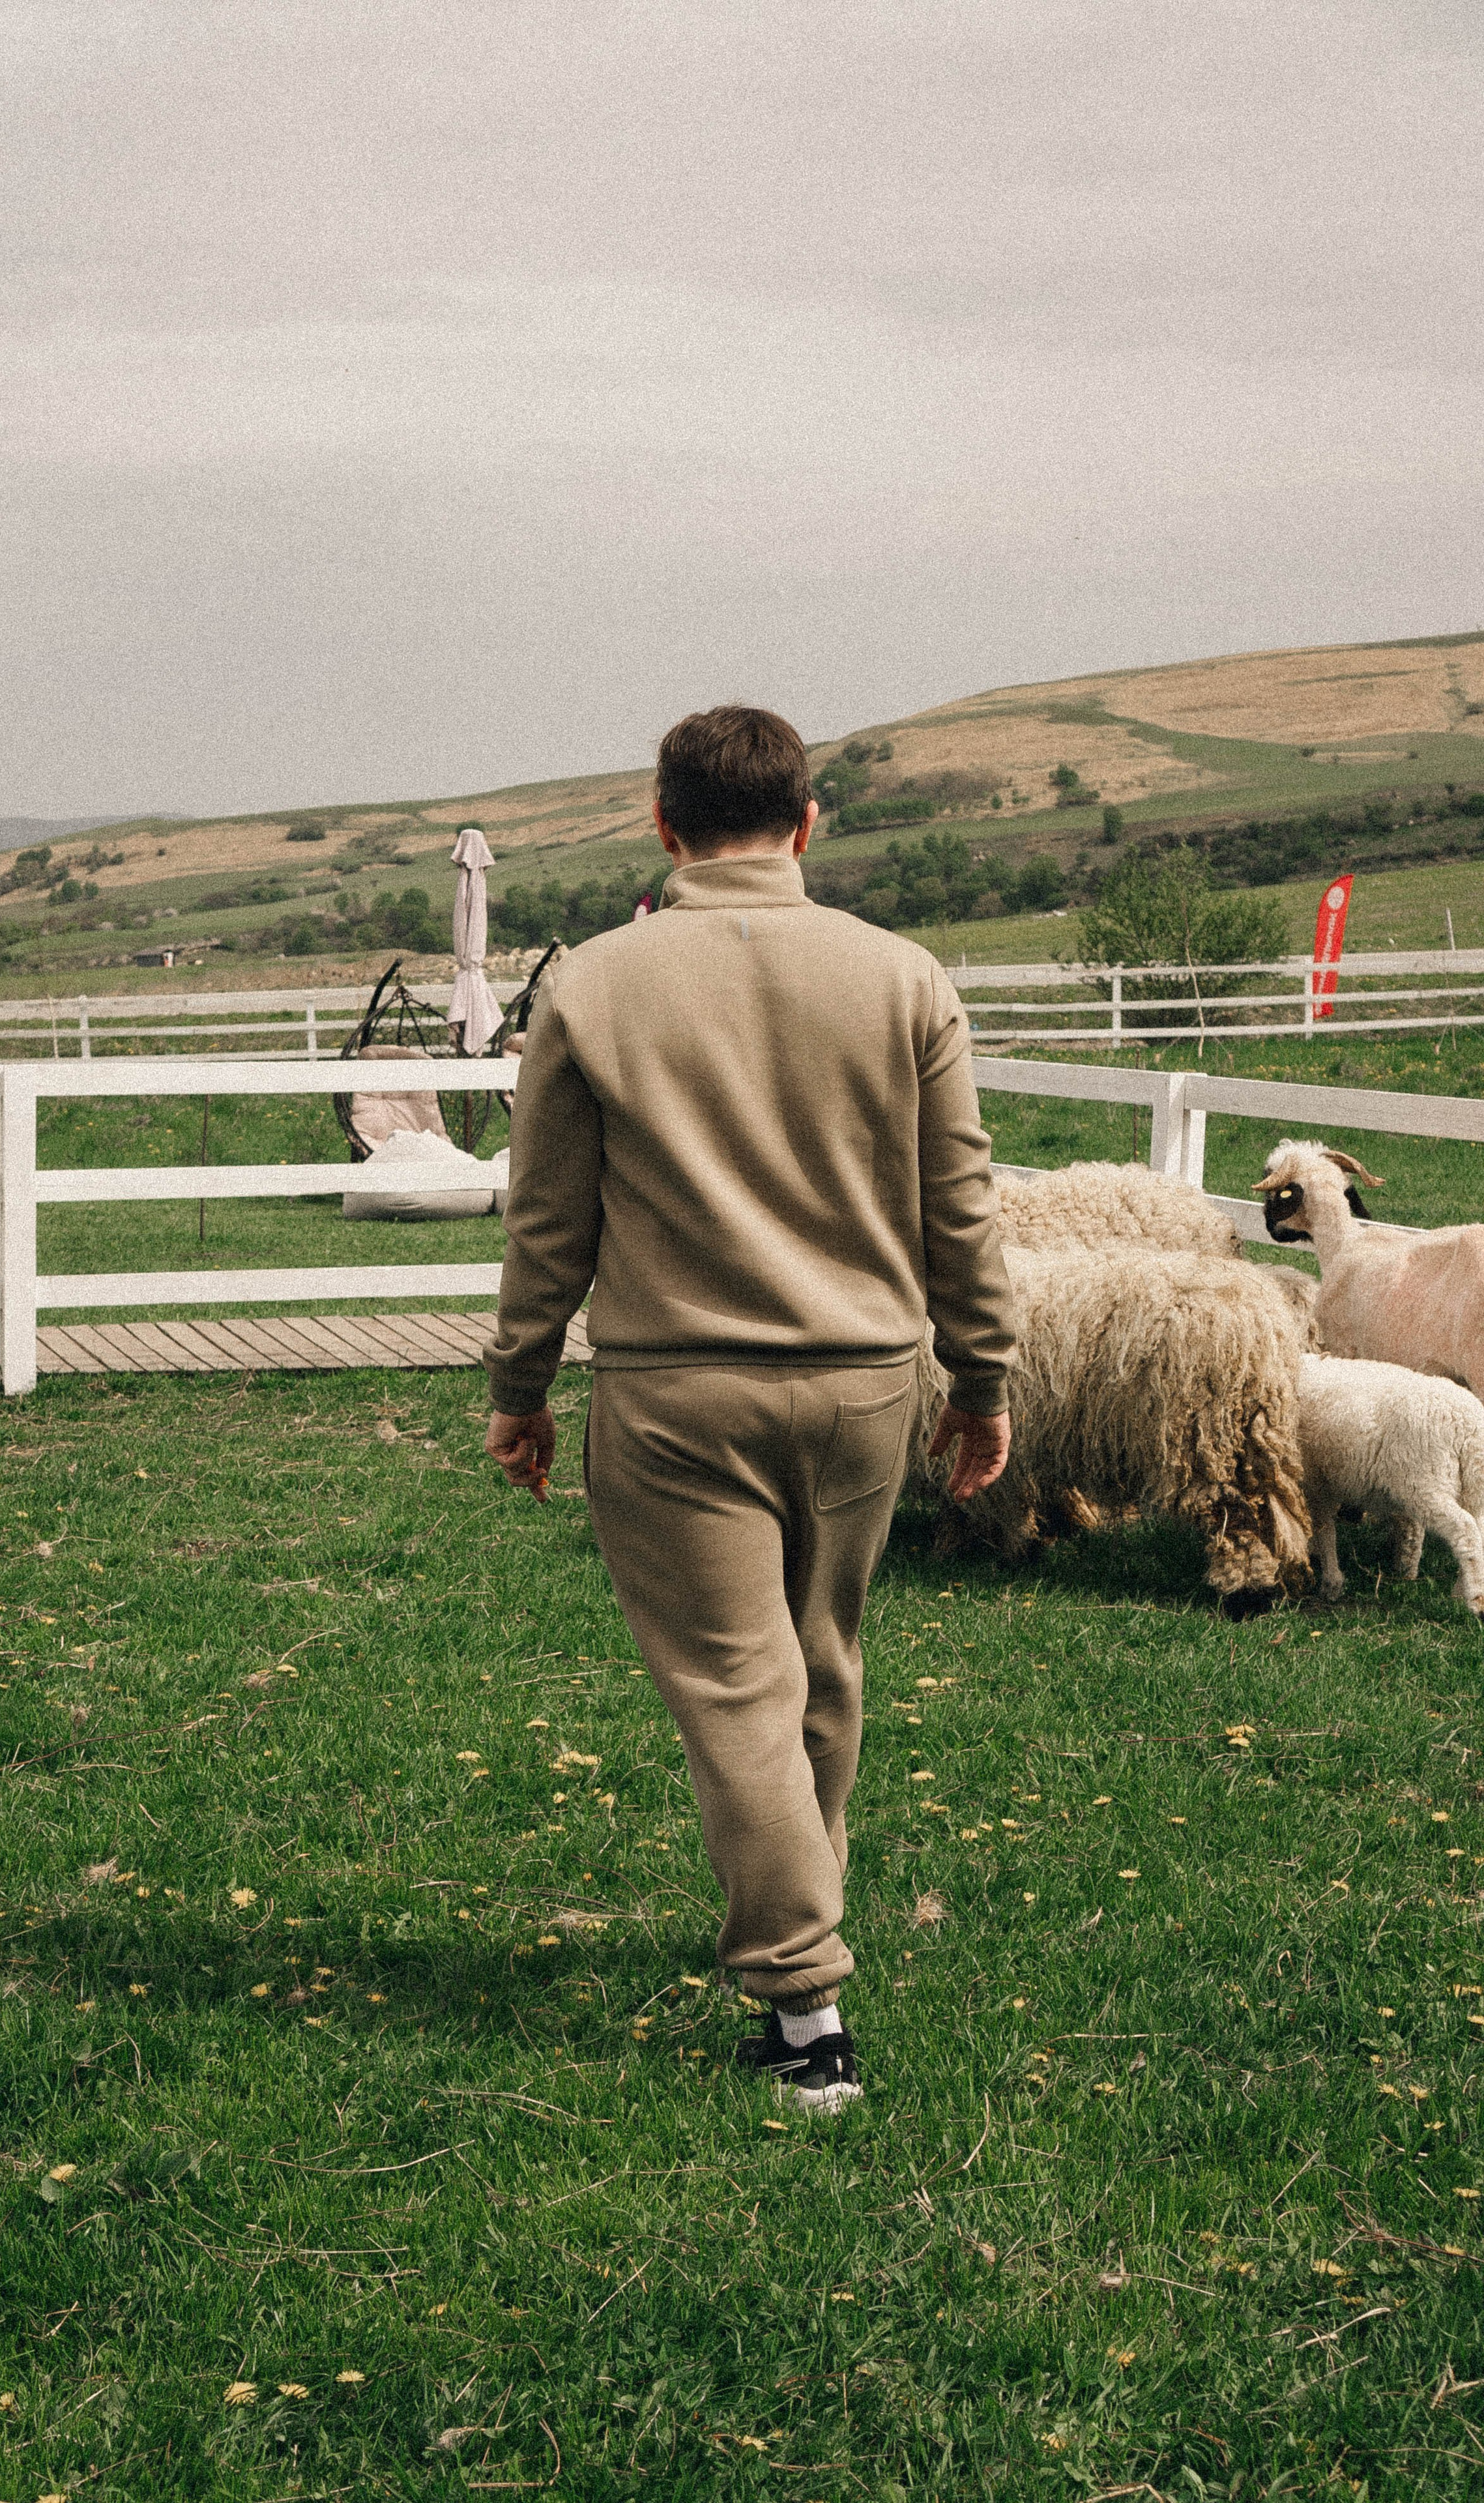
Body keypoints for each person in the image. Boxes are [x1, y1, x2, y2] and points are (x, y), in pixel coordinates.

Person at [484, 705, 1015, 2111]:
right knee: (818, 1665)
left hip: (675, 1391)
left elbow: (548, 1220)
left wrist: (519, 1387)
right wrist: (984, 1377)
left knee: (737, 1685)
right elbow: (956, 1204)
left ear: (662, 827)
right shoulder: (902, 977)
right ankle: (800, 1921)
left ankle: (803, 2007)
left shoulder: (593, 986)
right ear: (806, 820)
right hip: (861, 1388)